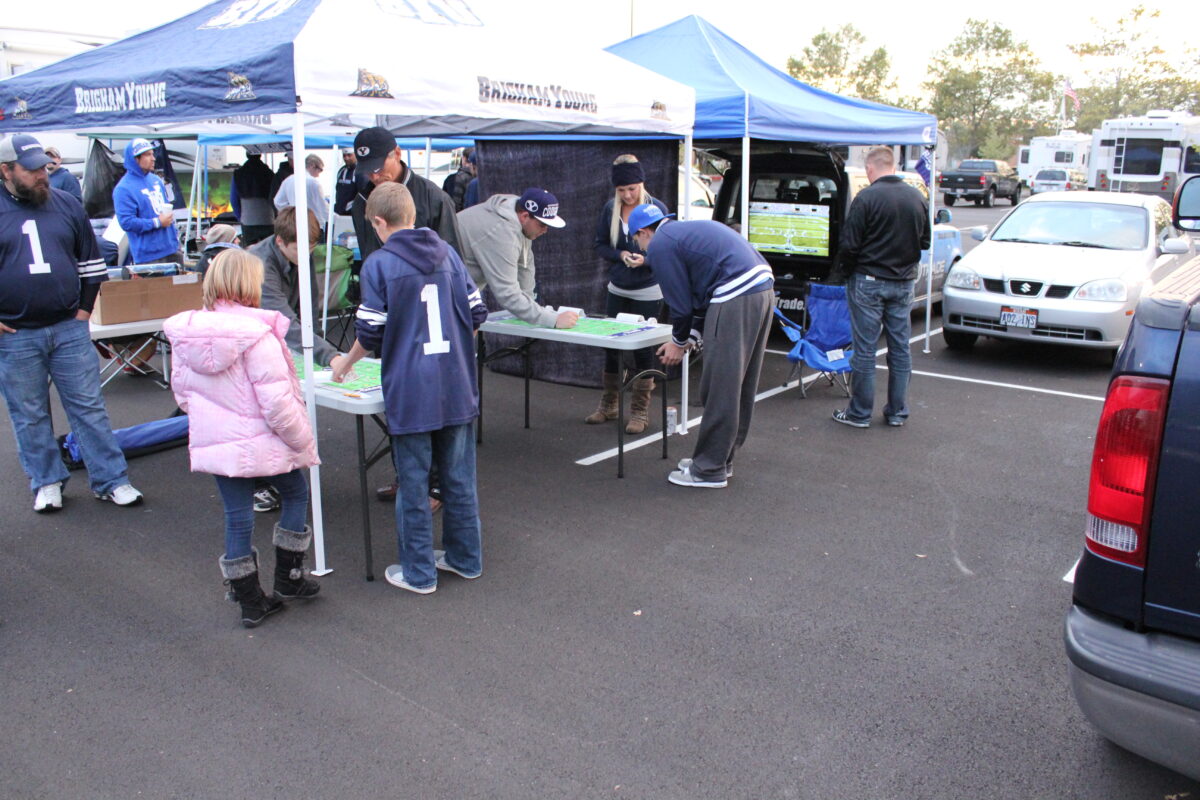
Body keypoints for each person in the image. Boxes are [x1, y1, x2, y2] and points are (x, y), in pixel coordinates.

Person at [331, 182, 486, 594]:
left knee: (414, 482)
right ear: (413, 215)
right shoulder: (449, 254)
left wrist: (344, 364)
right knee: (459, 477)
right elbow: (478, 314)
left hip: (411, 390)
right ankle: (465, 558)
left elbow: (371, 332)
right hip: (457, 385)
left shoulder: (379, 264)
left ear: (380, 222)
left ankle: (419, 573)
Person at [163, 249, 321, 628]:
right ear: (250, 284)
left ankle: (249, 600)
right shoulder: (259, 335)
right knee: (295, 493)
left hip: (220, 445)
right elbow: (278, 405)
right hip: (264, 441)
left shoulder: (187, 334)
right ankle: (290, 577)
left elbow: (183, 396)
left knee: (238, 518)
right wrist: (302, 442)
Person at [0, 133, 144, 512]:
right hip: (16, 334)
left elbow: (92, 265)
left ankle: (111, 479)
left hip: (68, 326)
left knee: (89, 407)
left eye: (43, 167)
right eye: (30, 170)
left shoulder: (65, 203)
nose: (40, 175)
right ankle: (46, 481)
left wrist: (82, 312)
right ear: (6, 171)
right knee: (29, 413)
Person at [628, 204, 774, 489]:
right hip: (761, 289)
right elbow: (700, 299)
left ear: (644, 232)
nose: (641, 248)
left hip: (735, 295)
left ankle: (708, 469)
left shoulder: (660, 245)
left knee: (720, 385)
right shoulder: (683, 232)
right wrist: (691, 338)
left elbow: (680, 307)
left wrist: (678, 343)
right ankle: (720, 459)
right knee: (738, 385)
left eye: (637, 240)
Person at [830, 146, 930, 429]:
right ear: (894, 167)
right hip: (904, 281)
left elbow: (850, 245)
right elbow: (925, 242)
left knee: (864, 349)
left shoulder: (866, 198)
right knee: (900, 348)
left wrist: (842, 274)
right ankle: (897, 411)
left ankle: (859, 413)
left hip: (868, 281)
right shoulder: (917, 197)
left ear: (870, 169)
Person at [588, 154, 669, 434]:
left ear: (642, 184)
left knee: (643, 348)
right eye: (622, 190)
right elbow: (599, 245)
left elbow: (667, 250)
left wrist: (645, 260)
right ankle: (609, 404)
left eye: (632, 189)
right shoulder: (610, 208)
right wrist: (620, 253)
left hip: (648, 290)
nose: (628, 195)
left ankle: (640, 409)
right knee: (612, 346)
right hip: (618, 288)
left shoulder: (656, 208)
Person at [456, 187, 578, 329]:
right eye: (543, 224)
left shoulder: (518, 218)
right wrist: (551, 320)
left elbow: (525, 265)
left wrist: (532, 306)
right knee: (460, 345)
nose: (545, 230)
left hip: (459, 287)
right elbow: (507, 293)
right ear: (525, 216)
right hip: (442, 289)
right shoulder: (501, 231)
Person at [247, 206, 349, 374]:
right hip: (255, 345)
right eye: (299, 250)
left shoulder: (301, 253)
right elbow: (282, 320)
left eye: (311, 249)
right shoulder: (261, 264)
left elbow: (309, 306)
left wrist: (316, 346)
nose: (305, 255)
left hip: (279, 340)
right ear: (280, 241)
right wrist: (329, 356)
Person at [350, 126, 460, 261]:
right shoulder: (361, 202)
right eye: (367, 170)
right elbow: (366, 253)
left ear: (397, 153)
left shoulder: (434, 199)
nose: (375, 176)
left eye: (378, 168)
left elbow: (453, 259)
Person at [113, 138, 181, 266]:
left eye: (152, 153)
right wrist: (157, 222)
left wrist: (175, 240)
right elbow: (127, 222)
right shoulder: (123, 188)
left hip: (172, 249)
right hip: (149, 256)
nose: (153, 158)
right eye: (148, 155)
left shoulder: (156, 180)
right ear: (135, 159)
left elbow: (165, 211)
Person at [230, 153, 276, 246]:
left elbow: (234, 199)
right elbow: (275, 196)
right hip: (268, 219)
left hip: (248, 219)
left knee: (249, 252)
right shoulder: (269, 173)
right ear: (260, 155)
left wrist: (240, 217)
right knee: (268, 250)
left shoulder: (239, 174)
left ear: (247, 155)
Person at [274, 153, 328, 230]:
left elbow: (278, 202)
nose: (318, 175)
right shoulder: (313, 183)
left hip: (294, 224)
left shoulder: (288, 180)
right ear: (312, 165)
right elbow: (323, 207)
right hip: (314, 225)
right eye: (320, 170)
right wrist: (336, 220)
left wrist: (292, 213)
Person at [440, 148, 476, 212]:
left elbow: (454, 202)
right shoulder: (482, 178)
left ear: (464, 159)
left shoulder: (455, 178)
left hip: (460, 216)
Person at [333, 148, 357, 216]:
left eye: (349, 155)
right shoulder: (341, 170)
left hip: (351, 213)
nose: (346, 158)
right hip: (339, 211)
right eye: (344, 155)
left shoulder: (359, 171)